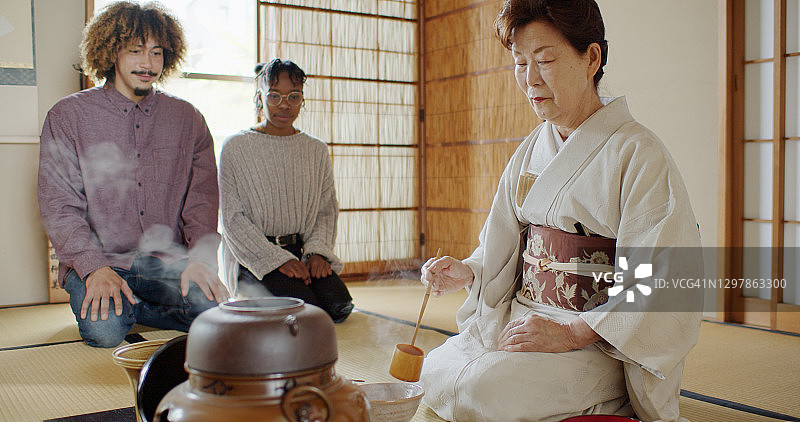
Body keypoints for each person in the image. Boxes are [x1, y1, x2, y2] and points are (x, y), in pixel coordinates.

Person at [418, 1, 703, 421]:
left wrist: (572, 333)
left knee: (483, 390)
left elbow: (661, 275)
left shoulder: (638, 153)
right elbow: (501, 242)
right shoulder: (532, 148)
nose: (530, 79)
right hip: (523, 321)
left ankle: (609, 398)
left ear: (591, 58)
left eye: (545, 60)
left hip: (596, 337)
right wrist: (470, 271)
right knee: (434, 375)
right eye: (519, 63)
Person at [38, 1, 228, 349]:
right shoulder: (68, 116)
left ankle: (133, 308)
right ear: (111, 52)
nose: (148, 64)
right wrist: (93, 268)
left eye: (157, 53)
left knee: (217, 313)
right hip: (102, 260)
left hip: (167, 262)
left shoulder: (188, 119)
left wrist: (200, 261)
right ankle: (115, 304)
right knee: (106, 332)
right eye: (136, 51)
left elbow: (201, 200)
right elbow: (59, 206)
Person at [218, 59, 353, 323]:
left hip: (302, 252)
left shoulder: (316, 150)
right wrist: (276, 260)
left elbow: (326, 210)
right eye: (275, 96)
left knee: (339, 307)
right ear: (260, 97)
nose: (284, 105)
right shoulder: (235, 147)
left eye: (293, 96)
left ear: (302, 99)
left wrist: (316, 253)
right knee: (306, 314)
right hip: (253, 258)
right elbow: (231, 218)